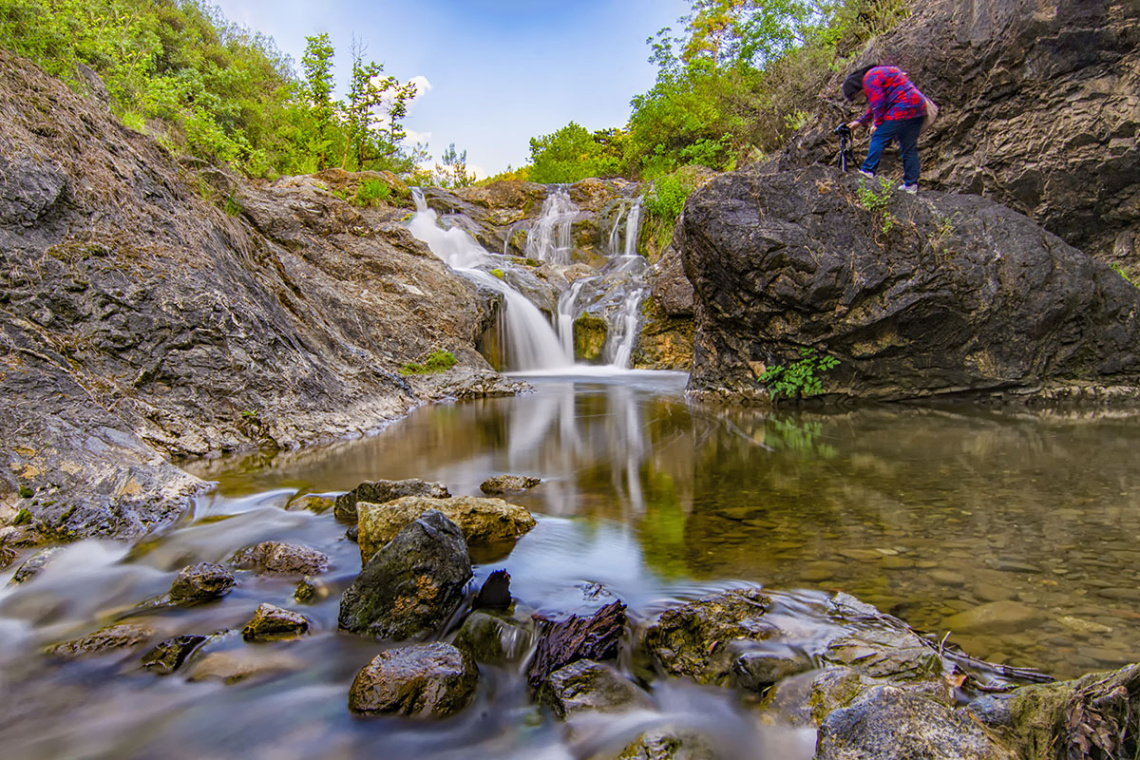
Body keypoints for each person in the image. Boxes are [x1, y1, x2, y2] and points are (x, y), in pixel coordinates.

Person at [843, 64, 929, 193]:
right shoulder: (878, 73)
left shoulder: (869, 79)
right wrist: (860, 122)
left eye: (856, 97)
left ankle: (867, 171)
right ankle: (911, 185)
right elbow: (875, 104)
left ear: (856, 89)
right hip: (917, 106)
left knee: (879, 137)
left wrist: (877, 124)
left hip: (902, 107)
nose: (860, 98)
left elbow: (879, 104)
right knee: (908, 147)